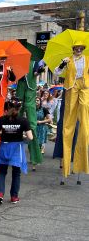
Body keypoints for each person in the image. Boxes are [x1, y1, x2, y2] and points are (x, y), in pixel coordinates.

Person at [53, 42, 89, 179]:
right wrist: (63, 64)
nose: (79, 50)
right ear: (73, 49)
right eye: (76, 48)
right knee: (68, 123)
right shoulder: (68, 60)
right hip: (71, 88)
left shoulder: (87, 58)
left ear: (83, 49)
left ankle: (80, 164)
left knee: (84, 122)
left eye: (81, 48)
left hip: (85, 87)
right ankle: (66, 165)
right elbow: (56, 72)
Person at [0, 98, 33, 204]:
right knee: (16, 173)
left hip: (4, 147)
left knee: (2, 171)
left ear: (8, 107)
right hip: (17, 148)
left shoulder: (2, 119)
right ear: (19, 108)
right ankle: (14, 197)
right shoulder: (23, 120)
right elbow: (30, 137)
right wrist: (22, 137)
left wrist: (4, 133)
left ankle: (0, 194)